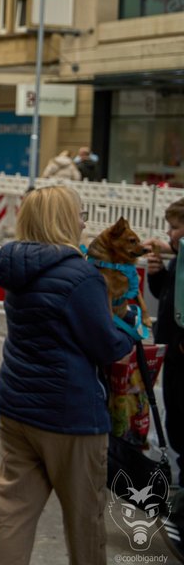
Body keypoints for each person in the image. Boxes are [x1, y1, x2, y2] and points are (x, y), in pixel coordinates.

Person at [0, 185, 132, 565]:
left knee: (14, 514)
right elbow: (106, 345)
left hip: (17, 408)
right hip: (70, 417)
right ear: (65, 220)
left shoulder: (14, 269)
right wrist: (126, 326)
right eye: (80, 214)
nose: (85, 221)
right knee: (85, 521)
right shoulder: (80, 276)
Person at [149, 198, 184, 480]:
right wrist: (158, 274)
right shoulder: (178, 261)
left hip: (180, 354)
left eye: (174, 227)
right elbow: (168, 297)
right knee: (175, 419)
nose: (169, 234)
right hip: (174, 353)